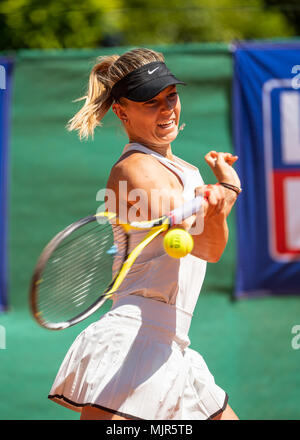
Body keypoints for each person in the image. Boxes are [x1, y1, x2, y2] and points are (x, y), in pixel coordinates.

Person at [48, 48, 241, 420]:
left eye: (171, 96)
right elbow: (204, 246)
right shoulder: (137, 170)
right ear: (122, 112)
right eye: (150, 103)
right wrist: (226, 194)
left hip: (172, 342)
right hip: (133, 341)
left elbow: (209, 244)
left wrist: (223, 195)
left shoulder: (184, 170)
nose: (166, 109)